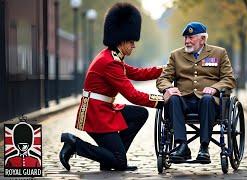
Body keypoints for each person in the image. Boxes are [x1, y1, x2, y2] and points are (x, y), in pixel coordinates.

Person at [59, 2, 164, 171]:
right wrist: (160, 100)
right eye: (131, 41)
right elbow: (132, 94)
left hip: (103, 109)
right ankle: (74, 144)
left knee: (139, 114)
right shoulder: (110, 62)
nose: (133, 45)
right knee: (119, 162)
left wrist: (163, 70)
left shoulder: (113, 57)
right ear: (121, 40)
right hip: (95, 115)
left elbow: (137, 73)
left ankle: (111, 157)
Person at [156, 22, 236, 163]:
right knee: (173, 99)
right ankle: (182, 145)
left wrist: (215, 88)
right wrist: (168, 88)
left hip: (209, 103)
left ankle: (204, 147)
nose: (187, 41)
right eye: (186, 37)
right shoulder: (176, 55)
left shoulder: (219, 53)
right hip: (183, 101)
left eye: (191, 37)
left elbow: (229, 79)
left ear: (203, 39)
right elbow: (163, 79)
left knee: (206, 99)